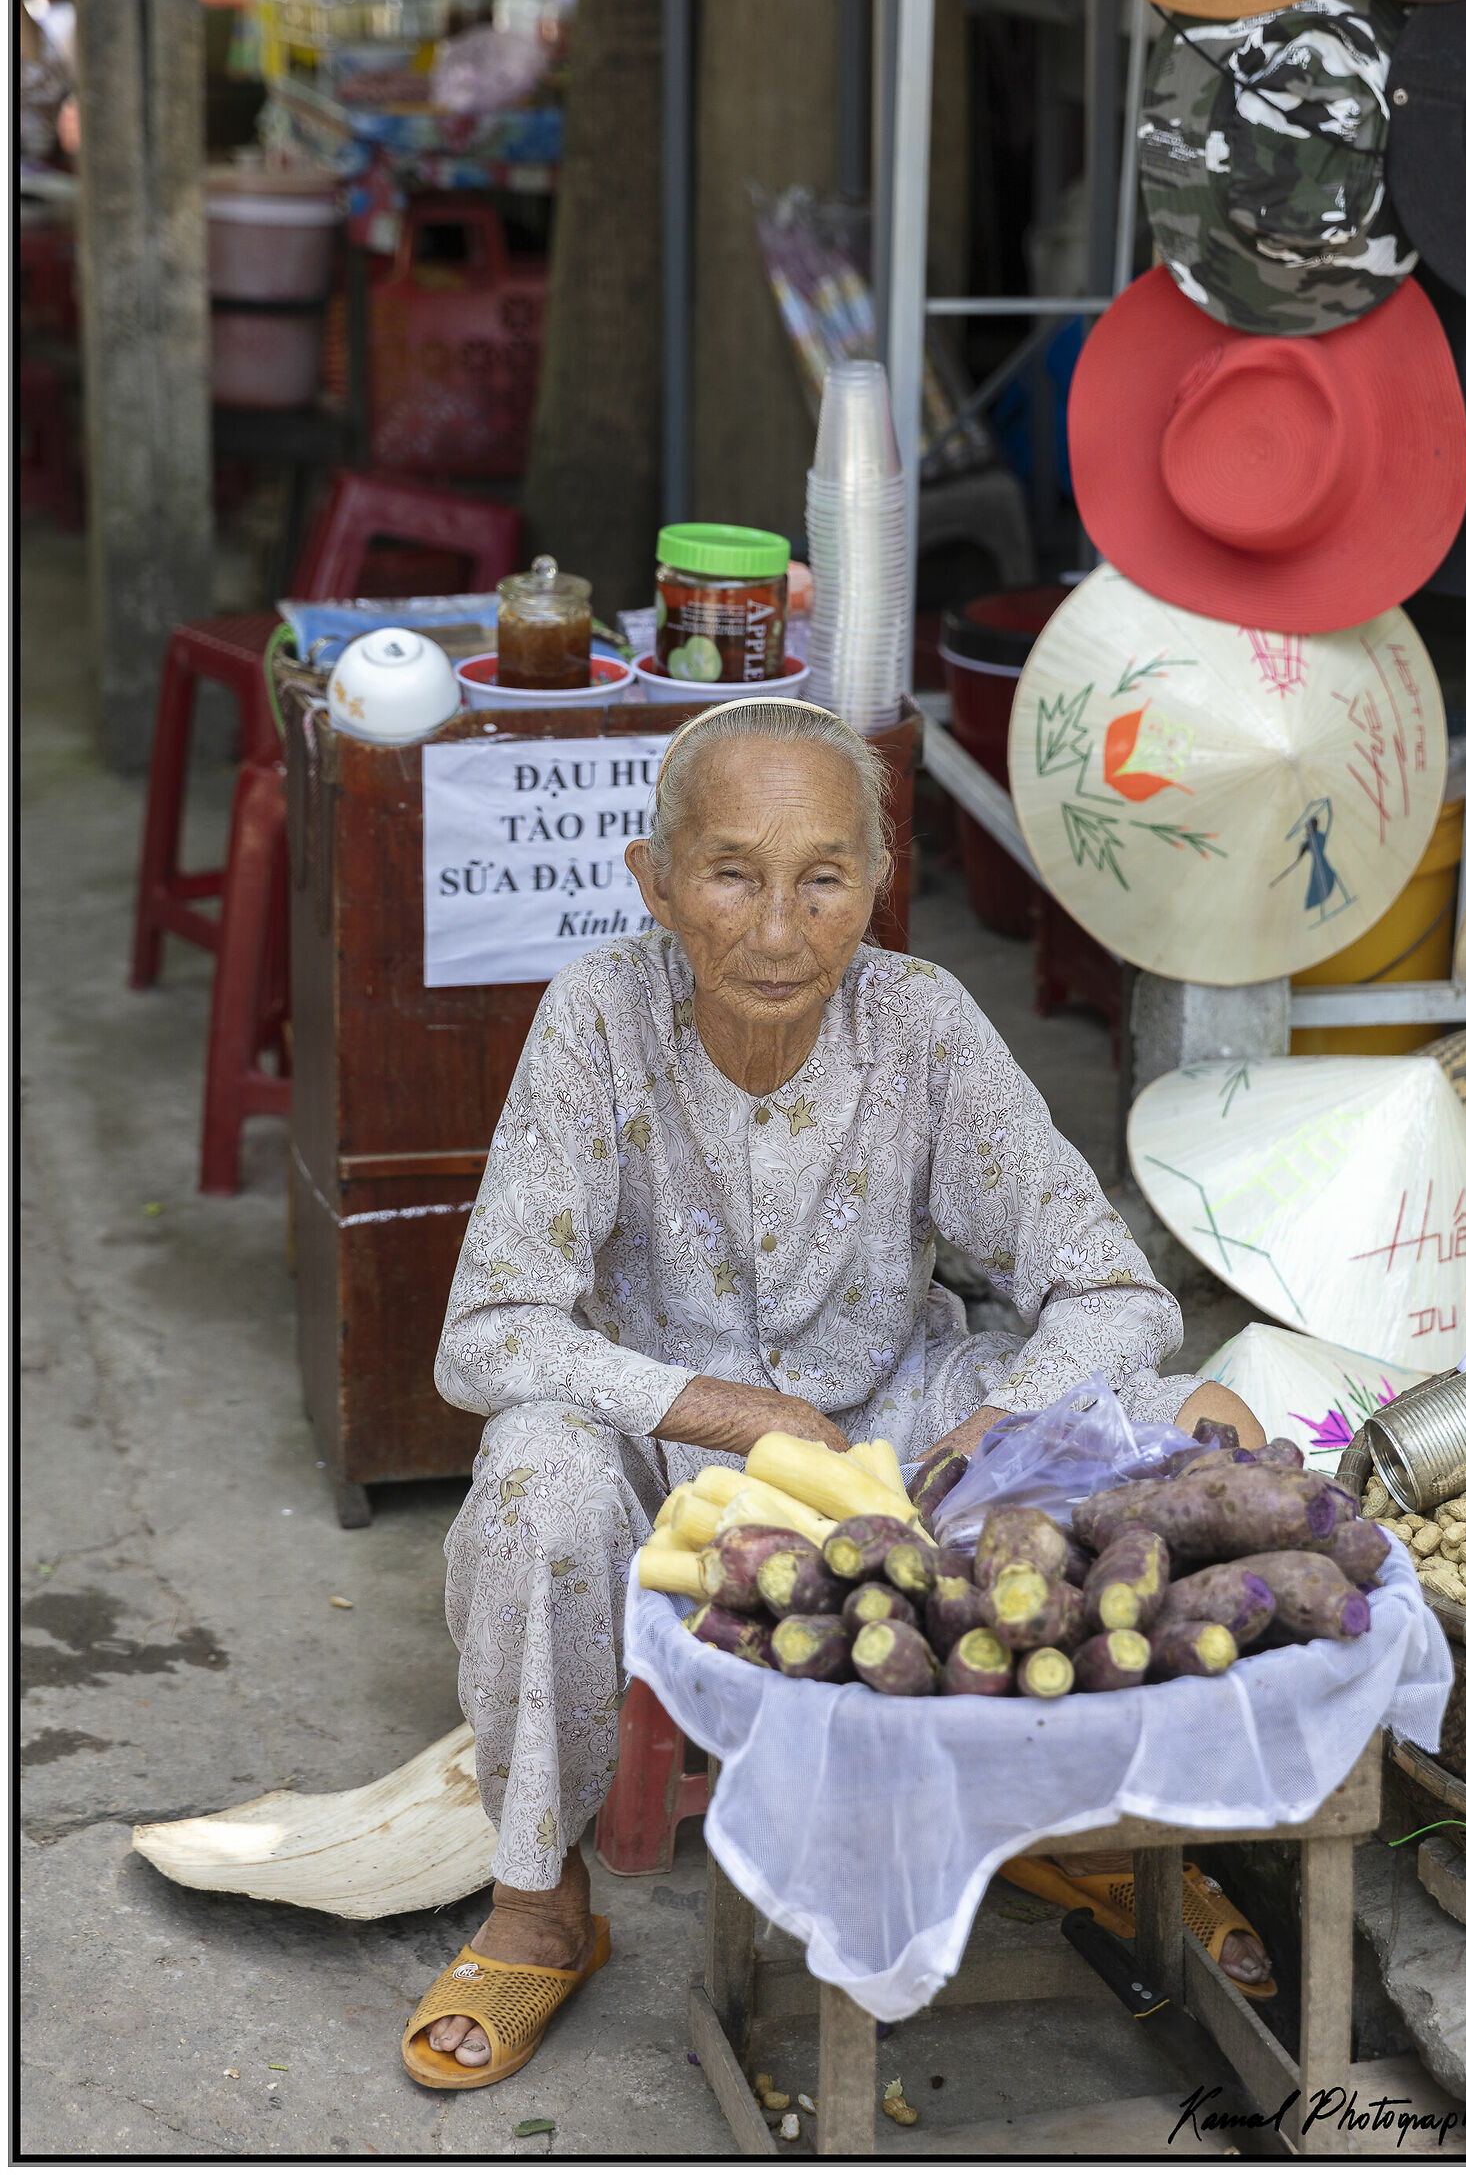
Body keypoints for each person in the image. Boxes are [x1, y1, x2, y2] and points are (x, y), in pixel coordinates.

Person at [403, 697, 1263, 2088]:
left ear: (875, 885)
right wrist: (725, 1408)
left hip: (902, 1424)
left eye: (824, 877)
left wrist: (1006, 1418)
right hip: (665, 1441)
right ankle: (538, 1906)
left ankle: (1097, 1839)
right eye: (732, 872)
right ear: (656, 881)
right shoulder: (599, 1018)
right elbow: (486, 1334)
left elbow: (1110, 1291)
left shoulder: (918, 1022)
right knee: (531, 1476)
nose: (778, 927)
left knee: (1176, 1431)